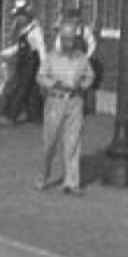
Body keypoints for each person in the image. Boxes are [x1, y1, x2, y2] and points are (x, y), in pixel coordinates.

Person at [34, 17, 96, 195]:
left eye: (72, 39)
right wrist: (54, 84)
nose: (69, 42)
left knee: (73, 142)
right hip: (55, 101)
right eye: (65, 38)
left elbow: (89, 77)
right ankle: (43, 175)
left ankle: (71, 182)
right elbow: (40, 76)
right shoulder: (52, 57)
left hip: (75, 102)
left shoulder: (81, 58)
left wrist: (82, 86)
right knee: (50, 142)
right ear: (60, 38)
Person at [0, 0, 46, 125]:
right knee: (32, 89)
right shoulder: (24, 30)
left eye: (19, 16)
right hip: (24, 61)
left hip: (32, 62)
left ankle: (11, 116)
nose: (18, 19)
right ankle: (35, 115)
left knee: (21, 87)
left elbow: (41, 48)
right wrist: (2, 54)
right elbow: (18, 47)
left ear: (26, 15)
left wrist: (45, 68)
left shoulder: (35, 30)